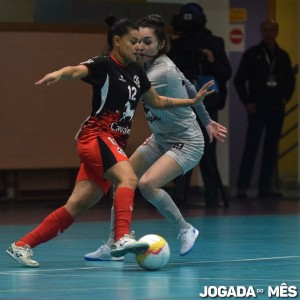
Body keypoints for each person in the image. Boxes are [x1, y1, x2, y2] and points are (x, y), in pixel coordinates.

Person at [6, 15, 215, 268]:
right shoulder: (104, 64)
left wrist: (192, 103)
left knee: (77, 204)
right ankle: (120, 239)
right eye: (133, 41)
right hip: (97, 137)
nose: (138, 47)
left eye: (142, 42)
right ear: (117, 41)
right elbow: (77, 70)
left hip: (111, 141)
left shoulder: (137, 71)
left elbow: (159, 101)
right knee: (128, 178)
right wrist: (60, 73)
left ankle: (22, 245)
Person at [84, 14, 227, 262]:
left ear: (161, 45)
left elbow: (124, 90)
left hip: (187, 142)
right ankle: (114, 242)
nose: (140, 46)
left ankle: (185, 228)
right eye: (137, 41)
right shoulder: (146, 66)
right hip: (161, 137)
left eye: (148, 42)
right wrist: (208, 121)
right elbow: (190, 88)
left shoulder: (161, 71)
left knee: (147, 184)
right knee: (122, 179)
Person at [168, 2, 232, 208]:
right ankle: (179, 196)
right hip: (182, 102)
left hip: (207, 102)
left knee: (207, 149)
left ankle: (212, 195)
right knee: (182, 147)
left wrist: (211, 60)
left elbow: (225, 73)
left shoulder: (214, 43)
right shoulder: (177, 45)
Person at [234, 19, 296, 198]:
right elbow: (239, 81)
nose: (269, 33)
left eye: (272, 30)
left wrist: (285, 98)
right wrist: (247, 102)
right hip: (257, 108)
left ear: (277, 32)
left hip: (276, 108)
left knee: (271, 147)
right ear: (261, 32)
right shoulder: (252, 54)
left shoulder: (283, 56)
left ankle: (265, 188)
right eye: (266, 30)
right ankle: (242, 187)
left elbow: (290, 80)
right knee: (251, 147)